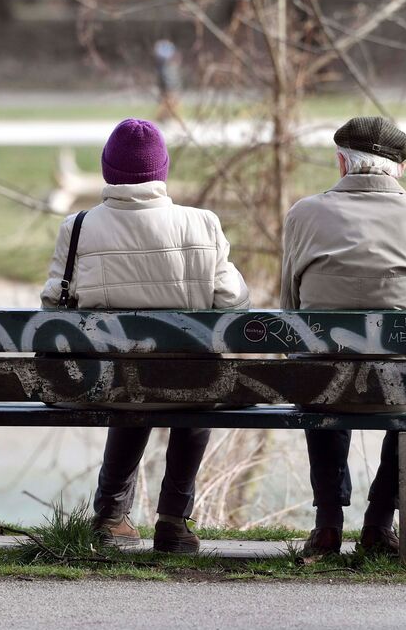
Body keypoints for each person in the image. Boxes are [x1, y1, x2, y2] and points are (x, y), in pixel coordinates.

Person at [41, 118, 250, 554]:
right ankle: (174, 520)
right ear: (163, 170)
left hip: (106, 386)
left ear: (107, 171)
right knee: (192, 383)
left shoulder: (78, 227)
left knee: (130, 382)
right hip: (189, 385)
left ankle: (111, 516)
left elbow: (52, 310)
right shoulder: (202, 224)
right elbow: (233, 302)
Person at [280, 116, 406, 557]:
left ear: (342, 163)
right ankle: (378, 522)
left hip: (323, 387)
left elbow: (290, 310)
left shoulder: (304, 213)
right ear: (399, 170)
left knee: (319, 371)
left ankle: (327, 525)